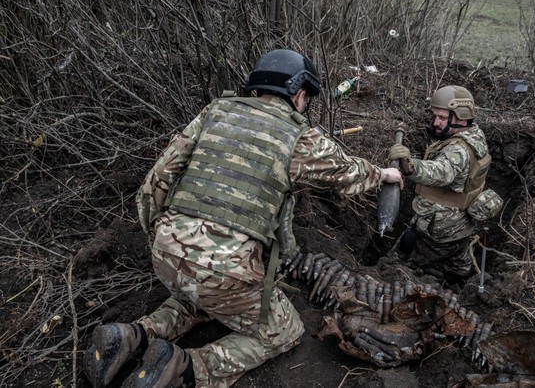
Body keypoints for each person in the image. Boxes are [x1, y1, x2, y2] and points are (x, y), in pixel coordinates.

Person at [84, 49, 403, 388]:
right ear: (298, 94)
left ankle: (132, 334)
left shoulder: (216, 112)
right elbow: (347, 171)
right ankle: (184, 367)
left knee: (199, 293)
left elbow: (156, 181)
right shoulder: (298, 137)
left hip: (166, 254)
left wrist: (161, 238)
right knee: (284, 329)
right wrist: (384, 173)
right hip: (225, 271)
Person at [388, 85, 494, 284]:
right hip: (461, 225)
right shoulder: (474, 135)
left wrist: (410, 166)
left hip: (439, 231)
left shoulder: (459, 150)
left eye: (443, 118)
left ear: (461, 117)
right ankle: (459, 277)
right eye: (435, 116)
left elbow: (442, 172)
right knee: (458, 265)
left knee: (397, 263)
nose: (435, 122)